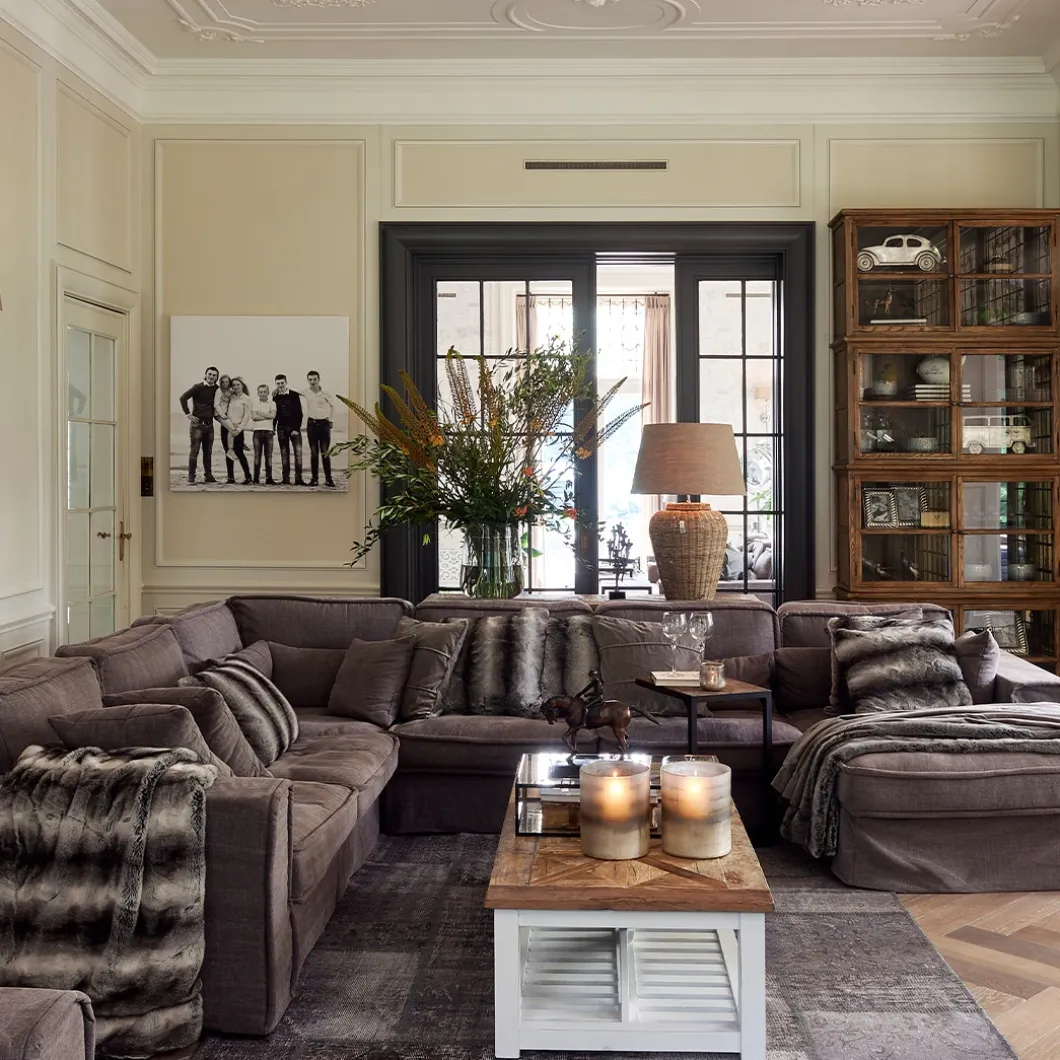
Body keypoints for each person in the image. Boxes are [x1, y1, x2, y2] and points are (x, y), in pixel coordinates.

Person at [179, 366, 219, 484]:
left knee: (208, 452)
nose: (211, 376)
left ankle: (208, 475)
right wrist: (188, 414)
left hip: (209, 425)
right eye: (209, 374)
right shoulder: (198, 387)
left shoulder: (216, 389)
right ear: (205, 374)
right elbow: (183, 398)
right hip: (197, 425)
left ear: (216, 377)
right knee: (194, 451)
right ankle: (191, 477)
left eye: (214, 375)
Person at [304, 370, 337, 488]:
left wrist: (331, 420)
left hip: (324, 424)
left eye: (315, 379)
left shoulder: (326, 393)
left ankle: (329, 479)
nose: (312, 382)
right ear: (308, 380)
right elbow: (292, 391)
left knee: (325, 452)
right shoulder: (306, 392)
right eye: (310, 380)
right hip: (311, 424)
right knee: (314, 453)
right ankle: (314, 479)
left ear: (319, 380)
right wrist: (278, 390)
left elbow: (333, 406)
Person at [273, 374, 306, 486]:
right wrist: (273, 428)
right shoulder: (275, 396)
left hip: (294, 428)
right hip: (281, 428)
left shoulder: (294, 395)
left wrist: (296, 428)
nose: (280, 385)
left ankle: (298, 479)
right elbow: (275, 414)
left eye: (282, 383)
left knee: (298, 454)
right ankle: (285, 479)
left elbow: (299, 413)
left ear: (286, 382)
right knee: (284, 454)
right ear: (276, 384)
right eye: (278, 383)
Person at [219, 376, 253, 484]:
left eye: (238, 384)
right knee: (228, 451)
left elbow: (246, 417)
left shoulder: (247, 399)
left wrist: (239, 429)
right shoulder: (230, 397)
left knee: (239, 451)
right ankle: (230, 478)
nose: (236, 387)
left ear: (242, 385)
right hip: (226, 427)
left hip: (238, 428)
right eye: (233, 385)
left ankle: (248, 477)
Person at [250, 383, 277, 485]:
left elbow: (273, 416)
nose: (262, 394)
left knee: (268, 456)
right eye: (260, 392)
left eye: (264, 392)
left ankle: (269, 478)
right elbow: (254, 417)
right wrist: (267, 415)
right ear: (258, 393)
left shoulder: (272, 403)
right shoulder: (255, 403)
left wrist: (260, 413)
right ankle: (256, 478)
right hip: (257, 431)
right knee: (257, 455)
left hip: (269, 431)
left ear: (268, 392)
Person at [213, 373, 234, 477]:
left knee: (232, 429)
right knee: (232, 429)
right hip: (218, 415)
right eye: (223, 382)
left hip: (227, 415)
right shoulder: (219, 391)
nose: (225, 384)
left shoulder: (230, 391)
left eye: (227, 382)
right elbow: (216, 404)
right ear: (220, 383)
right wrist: (222, 415)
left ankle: (232, 447)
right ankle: (231, 448)